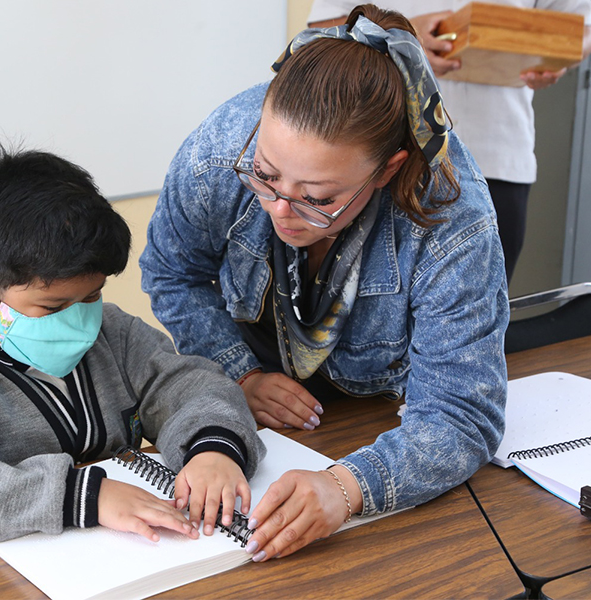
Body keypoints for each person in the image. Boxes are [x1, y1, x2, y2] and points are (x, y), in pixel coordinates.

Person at [139, 4, 508, 560]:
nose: (281, 209)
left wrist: (346, 487)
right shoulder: (220, 151)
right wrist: (239, 374)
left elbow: (460, 413)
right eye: (264, 176)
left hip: (377, 410)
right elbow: (172, 271)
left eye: (317, 198)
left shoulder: (453, 220)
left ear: (387, 170)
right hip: (253, 393)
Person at [0, 143, 265, 546]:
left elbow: (191, 385)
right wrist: (82, 497)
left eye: (91, 297)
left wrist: (213, 448)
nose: (77, 320)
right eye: (53, 306)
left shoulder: (114, 333)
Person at [309, 0, 591, 283]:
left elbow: (583, 24)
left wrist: (555, 57)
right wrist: (399, 34)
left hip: (497, 160)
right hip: (380, 156)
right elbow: (322, 27)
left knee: (478, 309)